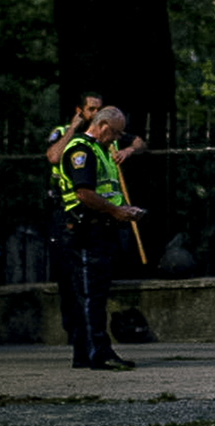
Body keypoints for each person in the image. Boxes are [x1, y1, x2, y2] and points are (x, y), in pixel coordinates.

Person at [45, 94, 146, 351]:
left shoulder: (103, 145)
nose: (116, 137)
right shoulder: (79, 144)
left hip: (101, 223)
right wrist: (115, 211)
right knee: (85, 292)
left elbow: (138, 142)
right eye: (91, 109)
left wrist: (122, 209)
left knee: (94, 292)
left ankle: (87, 351)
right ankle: (94, 350)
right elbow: (61, 166)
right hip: (81, 222)